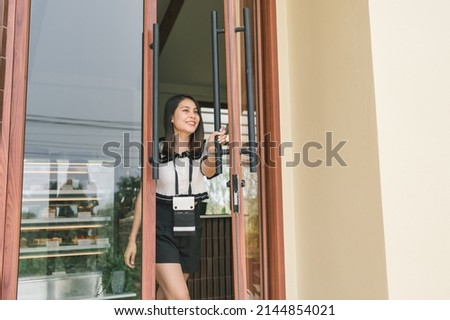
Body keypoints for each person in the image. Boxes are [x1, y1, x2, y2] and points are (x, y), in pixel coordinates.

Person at [123, 94, 227, 299]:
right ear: (171, 117)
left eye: (196, 111)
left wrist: (213, 148)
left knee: (165, 296)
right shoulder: (156, 150)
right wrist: (132, 238)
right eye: (185, 110)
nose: (193, 116)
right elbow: (144, 195)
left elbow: (208, 171)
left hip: (191, 224)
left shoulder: (204, 148)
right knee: (181, 298)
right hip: (161, 225)